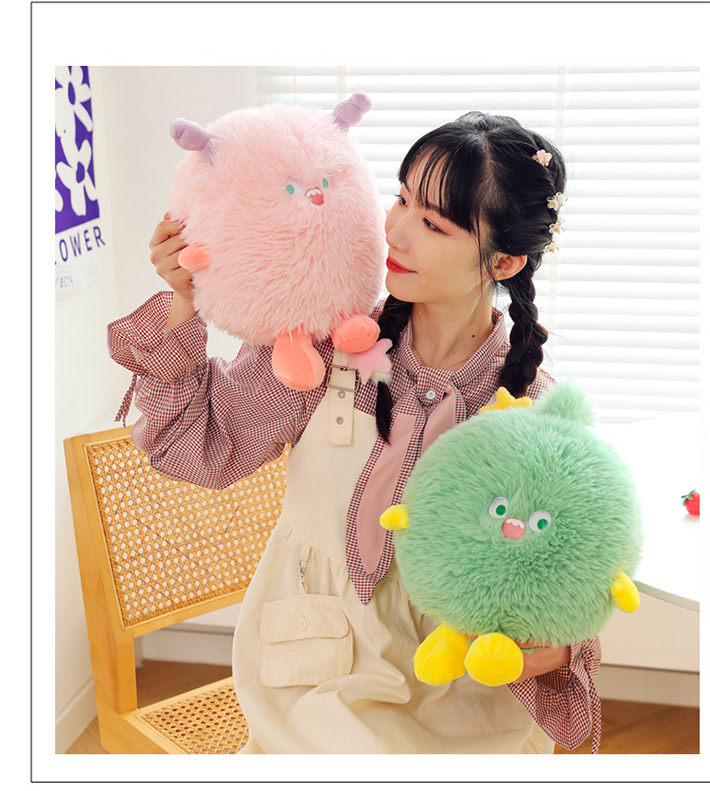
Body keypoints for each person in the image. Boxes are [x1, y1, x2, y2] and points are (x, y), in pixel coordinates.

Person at [107, 111, 602, 754]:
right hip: (317, 674)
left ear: (503, 261)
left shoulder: (528, 410)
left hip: (460, 691)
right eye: (401, 198)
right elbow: (199, 450)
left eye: (433, 224)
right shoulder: (321, 343)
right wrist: (183, 300)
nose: (394, 229)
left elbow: (565, 575)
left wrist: (554, 643)